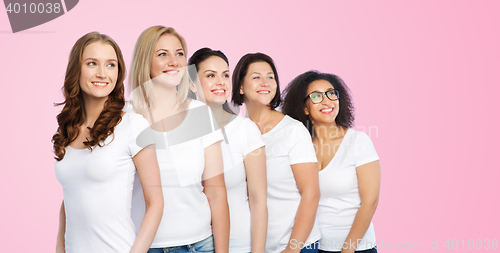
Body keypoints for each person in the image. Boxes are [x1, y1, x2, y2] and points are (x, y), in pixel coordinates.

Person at [53, 32, 164, 253]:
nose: (102, 73)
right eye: (92, 63)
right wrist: (60, 248)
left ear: (119, 72)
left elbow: (156, 204)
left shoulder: (133, 125)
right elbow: (72, 195)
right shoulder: (68, 128)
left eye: (111, 65)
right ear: (77, 69)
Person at [129, 26, 230, 253]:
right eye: (162, 54)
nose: (174, 61)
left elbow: (216, 192)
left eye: (180, 53)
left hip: (200, 245)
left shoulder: (200, 114)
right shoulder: (124, 118)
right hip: (143, 247)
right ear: (145, 61)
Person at [282, 71, 381, 253]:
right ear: (304, 108)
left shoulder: (358, 142)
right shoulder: (299, 148)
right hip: (313, 246)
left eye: (331, 93)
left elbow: (370, 202)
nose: (327, 101)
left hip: (357, 248)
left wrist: (348, 249)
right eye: (317, 96)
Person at [232, 53, 321, 253]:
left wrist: (292, 249)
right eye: (256, 77)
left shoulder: (293, 130)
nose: (265, 83)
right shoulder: (234, 132)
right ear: (239, 86)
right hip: (252, 247)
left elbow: (311, 193)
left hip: (296, 246)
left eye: (270, 77)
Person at [188, 48, 268, 253]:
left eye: (225, 75)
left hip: (239, 245)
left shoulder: (245, 130)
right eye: (210, 76)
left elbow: (258, 200)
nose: (221, 82)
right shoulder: (180, 132)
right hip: (192, 244)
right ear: (191, 84)